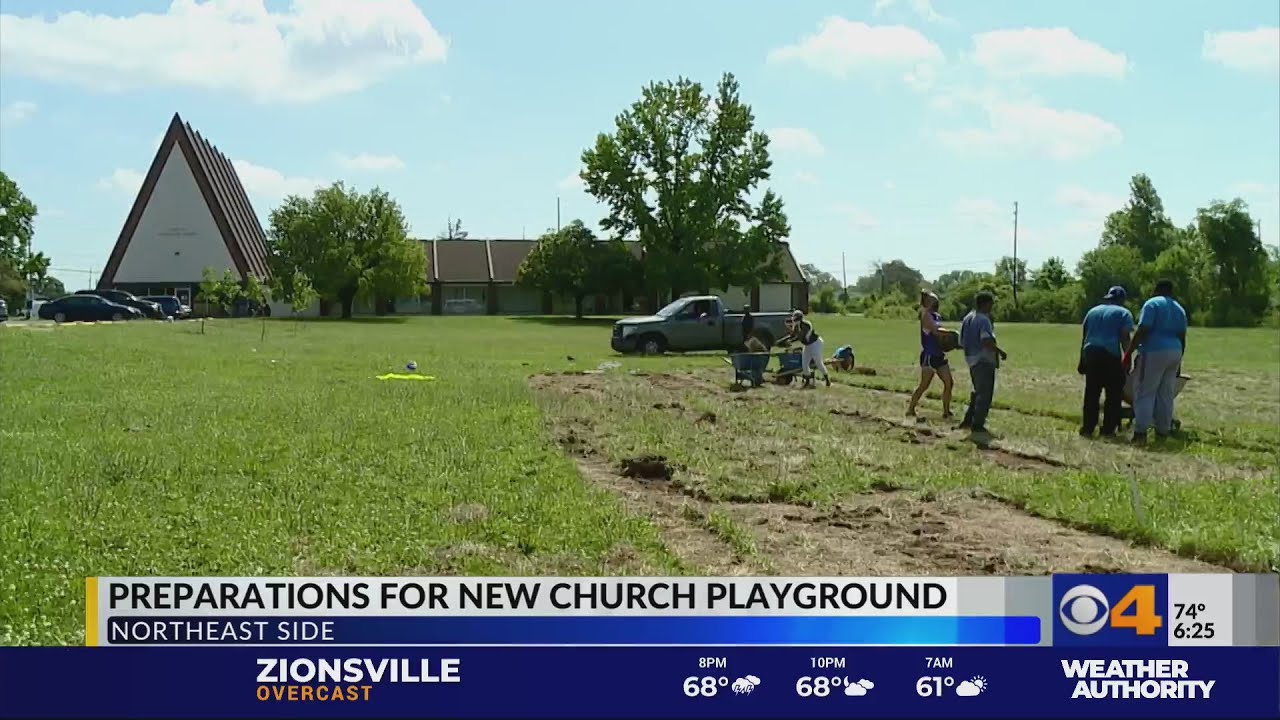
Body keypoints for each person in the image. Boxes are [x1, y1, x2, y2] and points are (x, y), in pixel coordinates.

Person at [1129, 279, 1187, 443]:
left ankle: (1140, 432)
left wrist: (1129, 352)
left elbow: (1143, 329)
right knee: (1166, 393)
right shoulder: (1179, 308)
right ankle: (1163, 430)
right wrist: (1180, 360)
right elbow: (1182, 336)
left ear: (1156, 289)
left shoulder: (1152, 304)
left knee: (1145, 391)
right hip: (1175, 350)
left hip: (1154, 351)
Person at [1078, 286, 1134, 438]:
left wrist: (1082, 359)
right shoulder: (1124, 313)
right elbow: (1124, 337)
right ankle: (1108, 429)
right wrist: (1127, 358)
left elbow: (1085, 337)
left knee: (1092, 393)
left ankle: (1088, 428)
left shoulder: (1092, 311)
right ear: (1122, 300)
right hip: (1110, 355)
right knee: (1113, 394)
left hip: (1091, 353)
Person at [958, 291, 1006, 433]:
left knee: (977, 391)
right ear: (985, 304)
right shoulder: (983, 319)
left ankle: (968, 420)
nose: (992, 307)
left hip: (970, 359)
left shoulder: (967, 318)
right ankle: (977, 424)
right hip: (983, 359)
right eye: (991, 304)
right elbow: (986, 341)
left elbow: (961, 341)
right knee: (984, 394)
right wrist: (1000, 352)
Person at [906, 290, 953, 421]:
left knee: (949, 382)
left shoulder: (937, 316)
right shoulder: (925, 315)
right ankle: (910, 409)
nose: (936, 302)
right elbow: (936, 331)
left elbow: (940, 336)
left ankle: (946, 411)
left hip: (939, 355)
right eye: (934, 300)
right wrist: (952, 334)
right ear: (927, 302)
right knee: (924, 385)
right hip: (929, 356)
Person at [777, 310, 830, 387]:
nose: (793, 319)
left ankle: (827, 380)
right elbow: (792, 335)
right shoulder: (796, 325)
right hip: (807, 345)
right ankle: (807, 382)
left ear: (799, 318)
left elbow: (799, 337)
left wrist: (789, 341)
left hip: (816, 343)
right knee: (804, 364)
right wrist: (781, 340)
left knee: (818, 362)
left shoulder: (806, 325)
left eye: (795, 318)